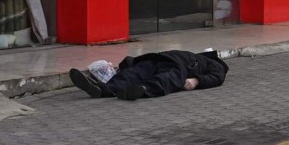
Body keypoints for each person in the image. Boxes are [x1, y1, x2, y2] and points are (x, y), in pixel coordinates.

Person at [69, 49, 229, 100]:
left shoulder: (215, 63)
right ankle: (103, 90)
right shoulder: (196, 56)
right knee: (133, 73)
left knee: (162, 80)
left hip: (179, 69)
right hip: (161, 59)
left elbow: (217, 78)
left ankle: (139, 89)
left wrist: (196, 80)